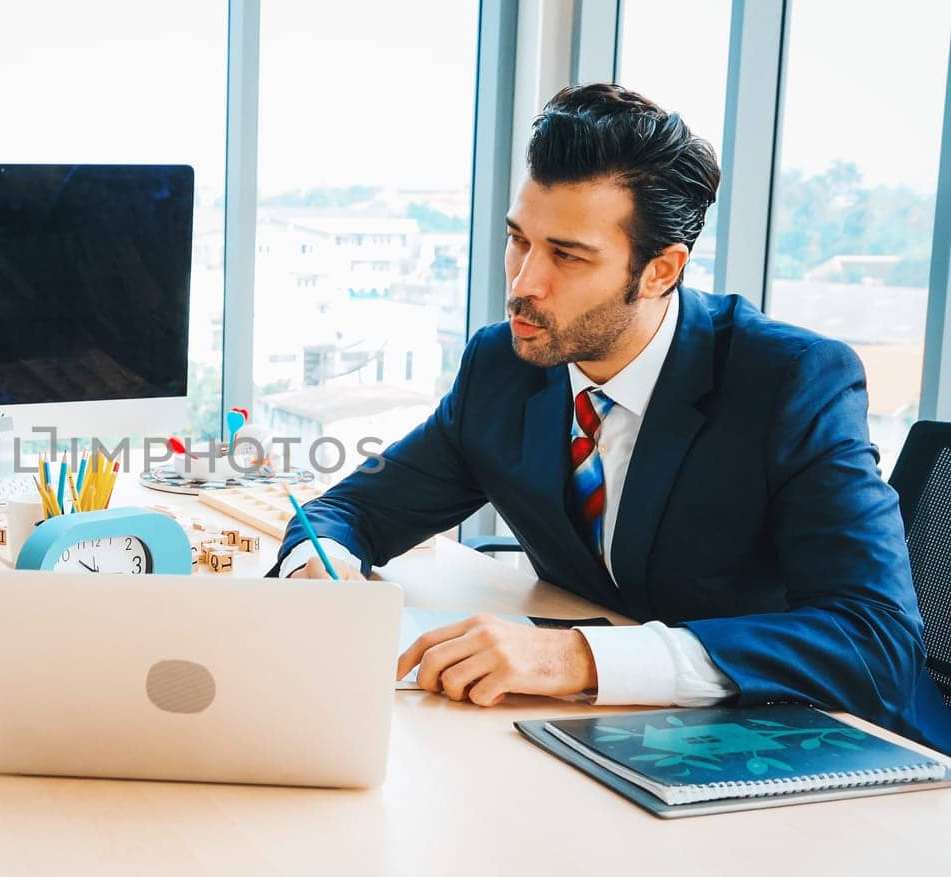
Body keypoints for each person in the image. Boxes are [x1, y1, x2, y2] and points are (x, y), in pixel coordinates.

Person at [277, 83, 951, 754]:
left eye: (567, 256)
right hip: (608, 741)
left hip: (830, 749)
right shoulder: (505, 366)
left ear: (660, 271)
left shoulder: (788, 382)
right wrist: (320, 566)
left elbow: (876, 642)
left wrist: (578, 658)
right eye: (519, 240)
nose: (523, 283)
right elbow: (355, 510)